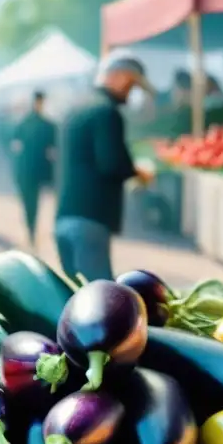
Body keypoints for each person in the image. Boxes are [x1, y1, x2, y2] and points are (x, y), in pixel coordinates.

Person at [55, 55, 153, 282]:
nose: (131, 92)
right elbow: (111, 163)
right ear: (119, 76)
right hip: (91, 220)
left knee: (75, 297)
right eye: (131, 84)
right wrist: (137, 171)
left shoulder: (76, 107)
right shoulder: (107, 112)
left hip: (64, 217)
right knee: (101, 301)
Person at [11, 91, 57, 246]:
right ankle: (30, 228)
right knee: (28, 201)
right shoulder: (28, 123)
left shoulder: (44, 124)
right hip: (28, 168)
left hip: (34, 169)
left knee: (33, 201)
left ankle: (31, 229)